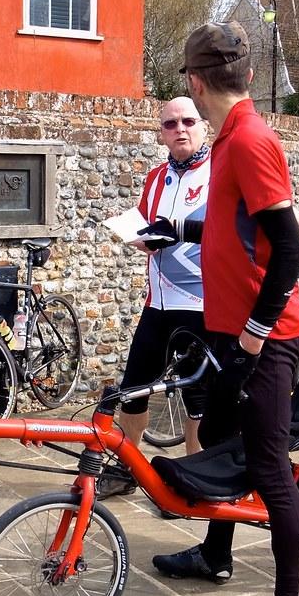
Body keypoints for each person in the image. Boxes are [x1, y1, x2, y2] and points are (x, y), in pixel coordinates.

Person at [144, 21, 299, 596]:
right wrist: (178, 229)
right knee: (216, 439)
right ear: (245, 74)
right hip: (228, 331)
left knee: (269, 470)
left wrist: (254, 336)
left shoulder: (251, 140)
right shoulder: (230, 138)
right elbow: (236, 225)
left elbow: (290, 248)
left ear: (193, 81)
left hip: (264, 338)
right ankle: (216, 555)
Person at [98, 96, 212, 498]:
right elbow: (145, 225)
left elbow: (234, 234)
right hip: (158, 304)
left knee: (199, 400)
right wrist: (138, 237)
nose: (180, 129)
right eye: (170, 124)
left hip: (202, 306)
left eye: (188, 121)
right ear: (161, 133)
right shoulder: (157, 177)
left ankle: (197, 482)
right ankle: (126, 471)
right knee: (133, 390)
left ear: (203, 126)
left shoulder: (220, 172)